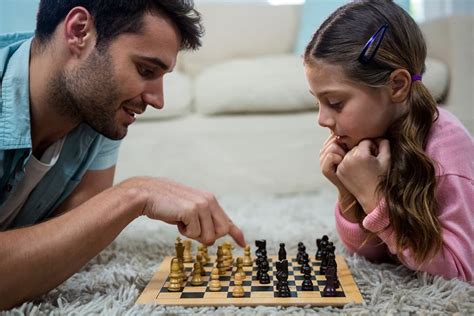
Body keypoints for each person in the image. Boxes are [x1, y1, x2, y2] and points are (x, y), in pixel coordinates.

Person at [0, 0, 246, 309]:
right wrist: (133, 194)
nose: (158, 100)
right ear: (79, 32)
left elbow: (72, 240)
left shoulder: (97, 109)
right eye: (145, 70)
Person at [303, 0, 473, 282]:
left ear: (397, 85)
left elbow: (459, 272)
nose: (322, 119)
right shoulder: (371, 136)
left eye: (335, 102)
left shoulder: (447, 155)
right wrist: (348, 194)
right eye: (318, 102)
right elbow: (370, 253)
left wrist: (373, 197)